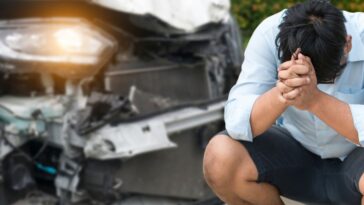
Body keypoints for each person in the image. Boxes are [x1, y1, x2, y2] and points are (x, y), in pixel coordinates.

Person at [203, 0, 364, 204]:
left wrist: (315, 100)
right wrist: (283, 92)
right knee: (221, 157)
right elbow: (236, 120)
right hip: (297, 155)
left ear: (347, 44)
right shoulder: (270, 34)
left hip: (356, 159)